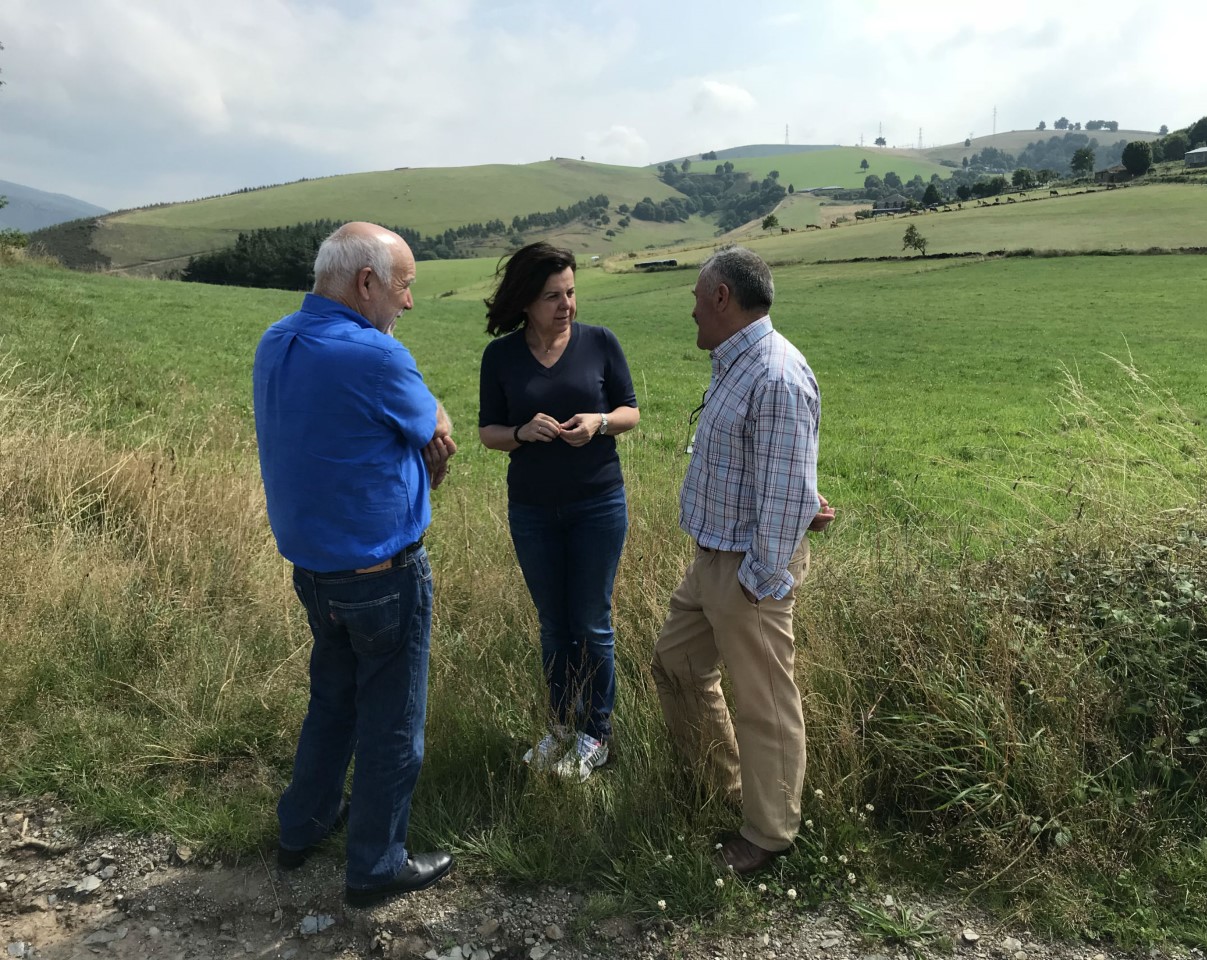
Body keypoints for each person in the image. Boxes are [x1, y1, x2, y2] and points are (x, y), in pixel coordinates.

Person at [252, 221, 457, 909]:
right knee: (393, 719)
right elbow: (438, 432)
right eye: (404, 288)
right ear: (366, 283)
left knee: (333, 701)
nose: (407, 303)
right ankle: (376, 864)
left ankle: (301, 826)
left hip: (313, 571)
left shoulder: (276, 339)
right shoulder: (375, 357)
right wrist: (427, 432)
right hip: (382, 574)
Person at [651, 245, 835, 875]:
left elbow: (786, 501)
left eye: (697, 298)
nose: (692, 310)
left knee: (764, 704)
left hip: (746, 571)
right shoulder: (738, 362)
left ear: (723, 298)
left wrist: (756, 584)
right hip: (711, 562)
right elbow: (771, 474)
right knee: (675, 664)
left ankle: (769, 836)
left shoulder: (775, 374)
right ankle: (722, 790)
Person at [478, 242, 640, 781]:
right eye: (552, 296)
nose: (566, 304)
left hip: (597, 503)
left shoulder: (600, 342)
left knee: (592, 622)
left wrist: (600, 422)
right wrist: (522, 433)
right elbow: (488, 433)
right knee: (554, 625)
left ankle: (597, 734)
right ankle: (560, 728)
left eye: (570, 292)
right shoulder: (500, 357)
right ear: (526, 301)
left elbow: (630, 411)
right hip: (532, 510)